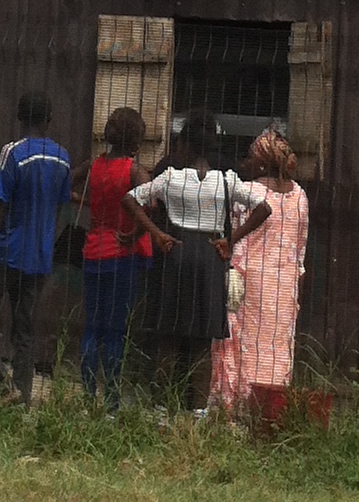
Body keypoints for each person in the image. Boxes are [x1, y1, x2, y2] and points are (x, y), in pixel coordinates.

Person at [126, 114, 269, 409]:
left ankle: (160, 407)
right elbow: (263, 209)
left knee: (168, 336)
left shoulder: (170, 178)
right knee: (203, 341)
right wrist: (231, 239)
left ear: (185, 145)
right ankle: (198, 410)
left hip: (175, 253)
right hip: (210, 257)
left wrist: (156, 233)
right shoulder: (227, 181)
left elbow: (130, 199)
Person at [0, 91, 72, 403]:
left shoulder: (13, 153)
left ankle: (1, 386)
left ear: (20, 117)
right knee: (24, 331)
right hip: (39, 258)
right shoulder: (62, 158)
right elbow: (59, 205)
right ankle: (21, 399)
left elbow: (0, 206)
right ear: (49, 119)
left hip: (5, 253)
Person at [211, 129, 310, 415]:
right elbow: (300, 249)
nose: (246, 162)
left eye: (251, 157)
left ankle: (233, 404)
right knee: (277, 345)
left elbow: (235, 237)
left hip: (249, 280)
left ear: (263, 163)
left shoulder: (248, 193)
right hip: (284, 285)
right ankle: (270, 407)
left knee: (239, 341)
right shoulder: (300, 196)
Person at [73, 105, 152, 406]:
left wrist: (84, 201)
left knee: (92, 326)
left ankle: (87, 395)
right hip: (123, 254)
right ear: (135, 139)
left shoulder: (94, 166)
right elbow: (151, 206)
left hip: (93, 251)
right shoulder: (134, 171)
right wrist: (135, 233)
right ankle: (112, 399)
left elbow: (67, 182)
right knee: (115, 330)